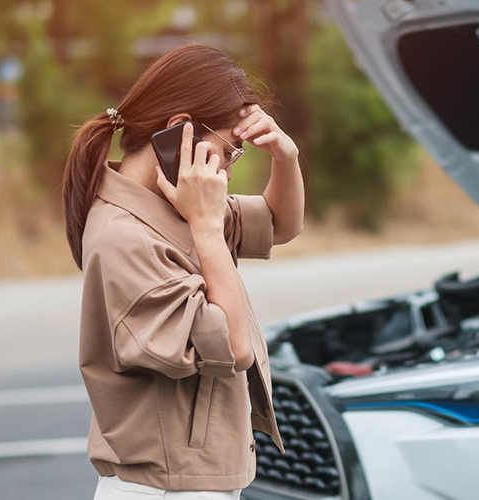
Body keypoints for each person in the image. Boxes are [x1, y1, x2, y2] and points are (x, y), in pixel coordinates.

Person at [61, 42, 303, 499]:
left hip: (191, 481)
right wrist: (208, 227)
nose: (228, 169)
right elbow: (233, 347)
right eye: (229, 150)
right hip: (165, 487)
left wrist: (284, 157)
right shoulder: (125, 235)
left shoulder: (171, 204)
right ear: (180, 132)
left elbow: (280, 224)